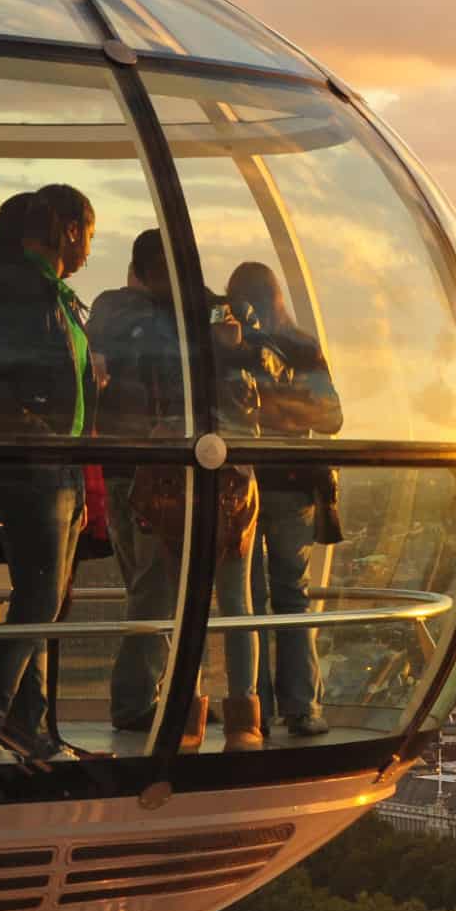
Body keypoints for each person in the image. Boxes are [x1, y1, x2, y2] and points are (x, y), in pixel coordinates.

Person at [0, 185, 96, 766]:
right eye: (90, 232)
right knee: (38, 602)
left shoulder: (47, 293)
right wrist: (41, 437)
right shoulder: (20, 289)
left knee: (45, 602)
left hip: (55, 470)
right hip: (35, 473)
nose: (91, 246)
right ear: (68, 230)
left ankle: (29, 730)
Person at [121, 276, 275, 752]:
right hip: (213, 475)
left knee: (203, 601)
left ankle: (197, 712)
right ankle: (236, 718)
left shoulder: (162, 326)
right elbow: (260, 390)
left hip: (195, 478)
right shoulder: (213, 321)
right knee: (229, 601)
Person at [227, 262, 342, 738]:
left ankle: (259, 711)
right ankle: (302, 707)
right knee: (292, 597)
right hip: (292, 486)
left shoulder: (228, 347)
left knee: (249, 600)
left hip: (242, 485)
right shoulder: (302, 347)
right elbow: (331, 417)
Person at [87, 229, 184, 738]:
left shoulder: (103, 314)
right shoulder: (164, 321)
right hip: (154, 472)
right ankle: (136, 704)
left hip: (114, 470)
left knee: (142, 583)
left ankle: (148, 697)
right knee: (156, 588)